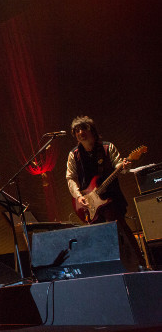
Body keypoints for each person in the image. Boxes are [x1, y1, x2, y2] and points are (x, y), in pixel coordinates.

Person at [65, 116, 144, 270]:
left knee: (120, 231)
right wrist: (79, 196)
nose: (80, 133)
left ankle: (139, 266)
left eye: (83, 128)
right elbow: (70, 178)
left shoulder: (107, 148)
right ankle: (108, 270)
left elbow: (120, 167)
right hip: (90, 203)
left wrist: (125, 165)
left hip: (111, 199)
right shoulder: (73, 155)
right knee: (98, 237)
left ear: (91, 130)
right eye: (76, 131)